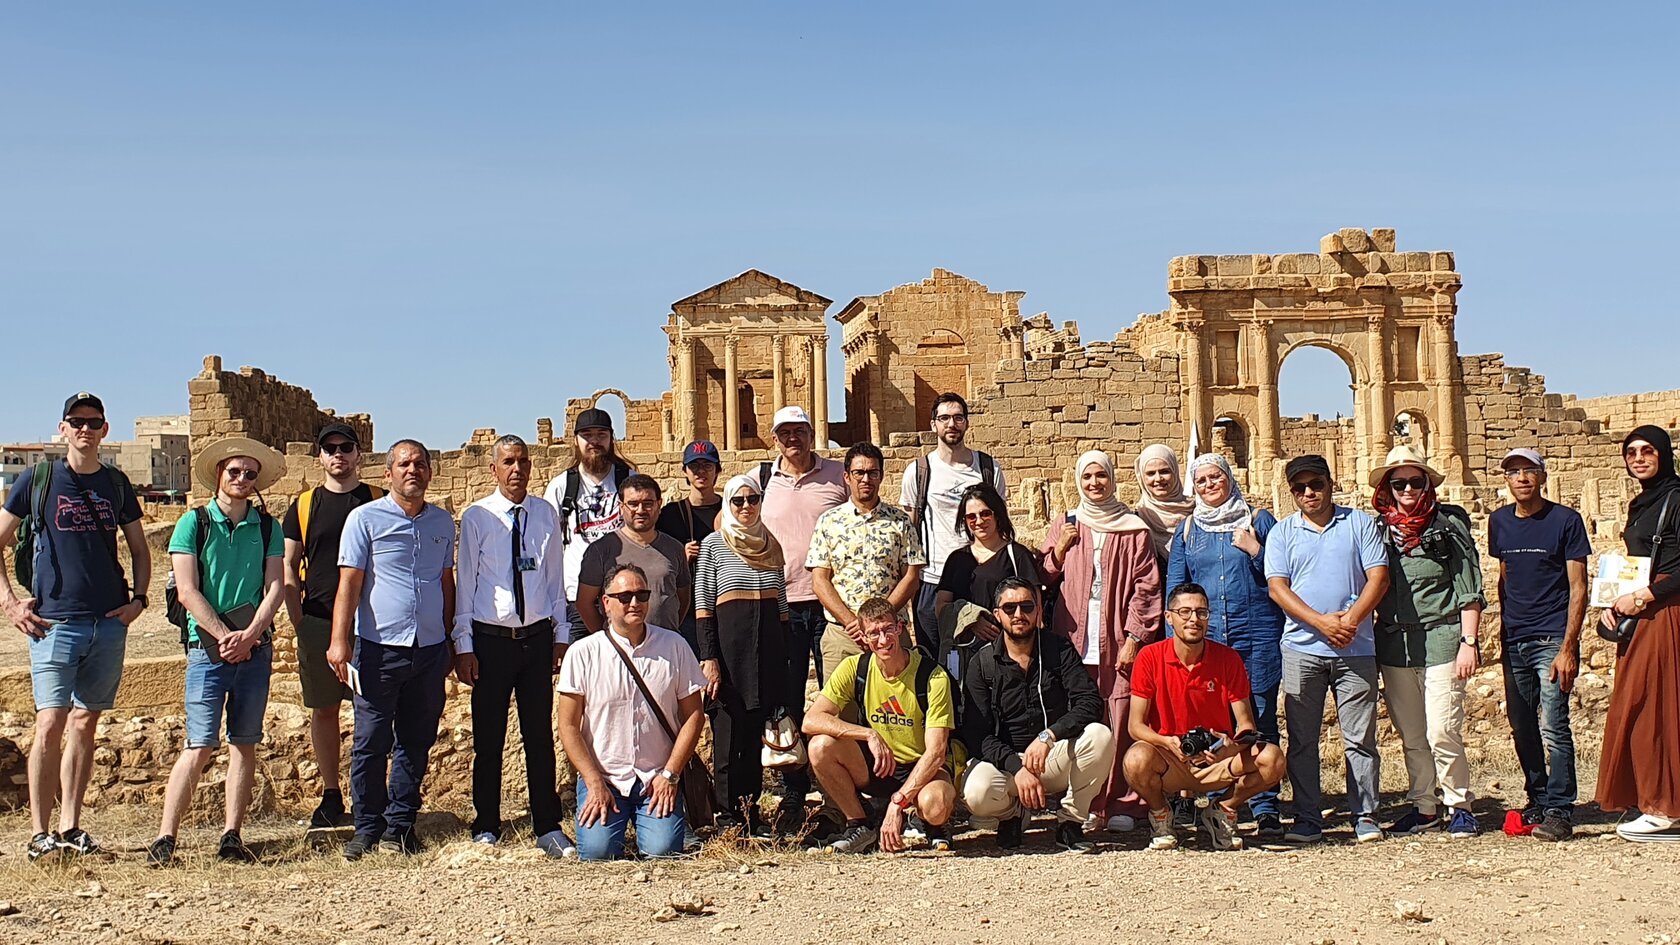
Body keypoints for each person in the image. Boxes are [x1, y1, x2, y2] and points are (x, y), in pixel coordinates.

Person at [0, 392, 149, 862]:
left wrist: (139, 601)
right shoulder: (38, 478)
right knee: (50, 722)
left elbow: (141, 550)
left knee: (85, 723)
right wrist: (9, 604)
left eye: (94, 422)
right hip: (53, 622)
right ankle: (39, 833)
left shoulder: (116, 483)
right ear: (63, 428)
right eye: (76, 421)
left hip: (107, 622)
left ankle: (71, 827)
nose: (85, 429)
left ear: (105, 430)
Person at [149, 438, 286, 865]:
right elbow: (187, 590)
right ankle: (166, 837)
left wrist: (249, 636)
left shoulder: (268, 527)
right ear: (219, 476)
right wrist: (226, 635)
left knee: (244, 744)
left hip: (253, 647)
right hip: (206, 649)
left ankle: (232, 835)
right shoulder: (193, 523)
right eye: (235, 472)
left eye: (250, 474)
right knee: (200, 743)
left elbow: (276, 587)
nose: (242, 479)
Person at [326, 440, 456, 860]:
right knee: (371, 740)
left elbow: (445, 582)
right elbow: (350, 582)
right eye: (403, 464)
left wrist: (452, 635)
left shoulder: (442, 522)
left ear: (430, 472)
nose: (412, 470)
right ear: (388, 474)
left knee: (417, 740)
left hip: (430, 647)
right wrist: (339, 640)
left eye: (420, 463)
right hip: (379, 648)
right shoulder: (364, 519)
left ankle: (400, 827)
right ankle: (366, 826)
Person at [452, 435, 574, 858]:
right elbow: (466, 583)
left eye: (523, 461)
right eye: (508, 462)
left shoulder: (544, 514)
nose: (517, 469)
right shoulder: (478, 518)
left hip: (537, 639)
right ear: (494, 469)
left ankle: (547, 824)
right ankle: (486, 822)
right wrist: (463, 645)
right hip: (491, 641)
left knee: (539, 734)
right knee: (489, 737)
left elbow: (554, 580)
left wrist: (561, 637)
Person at [1264, 454, 1390, 844]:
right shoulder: (1282, 532)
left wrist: (1350, 621)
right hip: (1302, 647)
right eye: (1300, 488)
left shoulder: (1360, 523)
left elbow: (1379, 577)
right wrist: (1322, 623)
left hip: (1356, 647)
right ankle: (1307, 816)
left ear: (1330, 483)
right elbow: (1277, 588)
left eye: (1315, 485)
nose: (1309, 493)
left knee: (1360, 737)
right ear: (1291, 493)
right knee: (1302, 739)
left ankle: (1365, 814)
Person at [1039, 450, 1162, 833]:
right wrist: (1060, 548)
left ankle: (1124, 800)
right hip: (1073, 640)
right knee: (1082, 718)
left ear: (1113, 479)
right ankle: (1086, 801)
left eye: (1101, 476)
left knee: (1120, 715)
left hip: (1115, 640)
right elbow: (1043, 576)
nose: (1094, 484)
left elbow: (1146, 587)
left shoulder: (1133, 529)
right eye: (1088, 477)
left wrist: (1133, 638)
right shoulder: (1067, 522)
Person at [1164, 453, 1286, 836]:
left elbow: (1282, 576)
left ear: (1230, 478)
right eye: (1201, 481)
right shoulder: (1187, 530)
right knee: (1206, 723)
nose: (1209, 485)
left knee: (1260, 721)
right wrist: (1175, 647)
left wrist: (1255, 551)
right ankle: (1206, 797)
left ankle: (1265, 806)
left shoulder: (1258, 520)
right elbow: (1176, 590)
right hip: (1209, 644)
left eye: (1215, 477)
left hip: (1257, 637)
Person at [1369, 446, 1485, 838]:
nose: (1406, 489)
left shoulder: (1448, 525)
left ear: (1426, 485)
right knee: (1412, 733)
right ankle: (1424, 806)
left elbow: (1469, 588)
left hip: (1442, 638)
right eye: (1398, 483)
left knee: (1442, 729)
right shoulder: (1377, 530)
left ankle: (1459, 803)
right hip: (1395, 643)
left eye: (1415, 482)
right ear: (1388, 487)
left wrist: (1469, 641)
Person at [556, 564, 706, 861]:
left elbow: (694, 716)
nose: (634, 603)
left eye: (641, 594)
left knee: (662, 851)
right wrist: (593, 780)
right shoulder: (582, 653)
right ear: (606, 603)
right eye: (624, 596)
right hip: (605, 778)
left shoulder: (674, 646)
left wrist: (670, 775)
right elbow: (568, 725)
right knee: (598, 854)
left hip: (656, 778)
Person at [1124, 583, 1287, 851]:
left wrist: (1227, 747)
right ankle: (1161, 814)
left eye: (1201, 612)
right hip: (1169, 758)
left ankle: (1223, 809)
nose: (1193, 620)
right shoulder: (1149, 657)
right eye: (1185, 612)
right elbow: (1135, 726)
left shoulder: (1227, 658)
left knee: (1273, 759)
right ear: (1169, 617)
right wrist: (1168, 742)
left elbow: (1246, 724)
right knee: (1135, 759)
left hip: (1217, 759)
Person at [961, 577, 1112, 854]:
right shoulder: (981, 663)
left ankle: (1070, 822)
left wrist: (1049, 735)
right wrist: (1016, 767)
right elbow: (976, 733)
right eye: (1009, 608)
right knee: (977, 792)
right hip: (1006, 764)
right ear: (997, 615)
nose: (1019, 615)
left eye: (1027, 606)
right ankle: (1012, 816)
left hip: (1051, 755)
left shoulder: (1059, 650)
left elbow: (1090, 702)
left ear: (1038, 610)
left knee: (1099, 736)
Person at [281, 422, 381, 830]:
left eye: (346, 447)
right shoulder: (304, 506)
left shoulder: (375, 499)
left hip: (370, 624)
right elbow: (288, 564)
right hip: (319, 621)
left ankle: (370, 792)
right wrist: (299, 620)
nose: (338, 455)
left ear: (359, 454)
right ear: (320, 457)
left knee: (370, 711)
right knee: (324, 710)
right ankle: (330, 793)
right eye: (330, 448)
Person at [1487, 447, 1590, 842]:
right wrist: (1502, 629)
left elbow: (1578, 586)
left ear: (1543, 477)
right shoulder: (1499, 522)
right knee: (1521, 724)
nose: (1521, 478)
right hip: (1515, 638)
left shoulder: (1565, 520)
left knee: (1554, 724)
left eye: (1529, 470)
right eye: (1513, 471)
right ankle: (1538, 798)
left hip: (1552, 637)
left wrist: (1569, 647)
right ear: (1507, 480)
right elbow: (1504, 576)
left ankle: (1561, 810)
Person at [755, 405, 848, 833]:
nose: (792, 438)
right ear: (774, 439)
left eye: (800, 431)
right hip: (783, 603)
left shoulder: (838, 475)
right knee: (787, 700)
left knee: (841, 698)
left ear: (812, 433)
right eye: (784, 432)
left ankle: (841, 796)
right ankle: (793, 793)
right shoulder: (760, 481)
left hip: (833, 605)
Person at [802, 598, 957, 854]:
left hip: (919, 767)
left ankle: (930, 824)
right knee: (820, 746)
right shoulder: (856, 667)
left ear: (900, 628)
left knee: (936, 804)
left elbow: (936, 752)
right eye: (874, 633)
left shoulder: (933, 676)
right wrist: (868, 734)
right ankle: (859, 824)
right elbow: (811, 720)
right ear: (863, 637)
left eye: (887, 629)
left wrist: (898, 802)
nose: (883, 640)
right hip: (878, 765)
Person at [1597, 426, 1680, 842]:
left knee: (1657, 705)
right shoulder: (1642, 502)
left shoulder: (1677, 498)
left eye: (1648, 450)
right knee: (1642, 701)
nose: (1639, 458)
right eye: (1631, 452)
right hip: (1644, 610)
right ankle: (1651, 796)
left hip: (1666, 612)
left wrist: (1645, 594)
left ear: (1664, 454)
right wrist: (1614, 602)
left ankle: (1664, 807)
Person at [695, 473, 789, 834]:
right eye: (738, 501)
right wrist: (710, 659)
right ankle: (726, 816)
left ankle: (750, 815)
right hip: (728, 658)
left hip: (764, 654)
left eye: (752, 500)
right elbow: (703, 605)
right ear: (728, 504)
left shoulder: (771, 545)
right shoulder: (714, 546)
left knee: (752, 739)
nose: (746, 507)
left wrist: (782, 661)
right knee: (727, 738)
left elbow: (781, 607)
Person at [807, 442, 926, 681]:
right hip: (844, 634)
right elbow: (820, 580)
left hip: (890, 635)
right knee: (839, 712)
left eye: (872, 472)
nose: (865, 479)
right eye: (859, 473)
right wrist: (853, 623)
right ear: (847, 477)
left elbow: (911, 576)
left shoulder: (900, 521)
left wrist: (879, 622)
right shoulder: (829, 521)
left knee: (894, 710)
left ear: (881, 476)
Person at [899, 393, 1007, 648]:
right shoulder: (919, 471)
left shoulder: (988, 468)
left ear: (967, 423)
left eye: (958, 418)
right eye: (944, 418)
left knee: (986, 658)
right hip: (934, 579)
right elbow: (909, 530)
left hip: (982, 577)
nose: (951, 424)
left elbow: (1001, 522)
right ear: (933, 424)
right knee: (937, 657)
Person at [542, 408, 634, 643]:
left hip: (623, 596)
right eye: (587, 435)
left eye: (601, 435)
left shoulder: (629, 478)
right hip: (576, 600)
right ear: (576, 441)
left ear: (611, 438)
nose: (594, 441)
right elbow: (548, 548)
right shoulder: (561, 486)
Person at [934, 484, 1040, 676]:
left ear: (997, 514)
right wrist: (971, 621)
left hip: (1008, 653)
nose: (979, 521)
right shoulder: (956, 559)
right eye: (971, 517)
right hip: (964, 654)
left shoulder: (1017, 555)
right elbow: (941, 607)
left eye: (985, 514)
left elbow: (1034, 607)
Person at [576, 474, 690, 636]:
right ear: (621, 507)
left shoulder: (674, 548)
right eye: (633, 504)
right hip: (618, 652)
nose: (641, 510)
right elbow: (584, 603)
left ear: (659, 505)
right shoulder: (601, 550)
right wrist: (607, 639)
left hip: (665, 649)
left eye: (648, 504)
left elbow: (682, 598)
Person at [656, 440, 723, 653]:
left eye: (707, 466)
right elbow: (656, 560)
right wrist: (680, 557)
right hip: (688, 610)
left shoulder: (734, 509)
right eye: (694, 466)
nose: (700, 472)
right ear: (684, 471)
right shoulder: (670, 515)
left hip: (725, 605)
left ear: (718, 470)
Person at [1132, 444, 1196, 567]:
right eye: (1150, 473)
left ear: (1175, 472)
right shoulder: (1137, 519)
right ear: (1142, 477)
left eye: (1164, 471)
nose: (1158, 479)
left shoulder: (1196, 513)